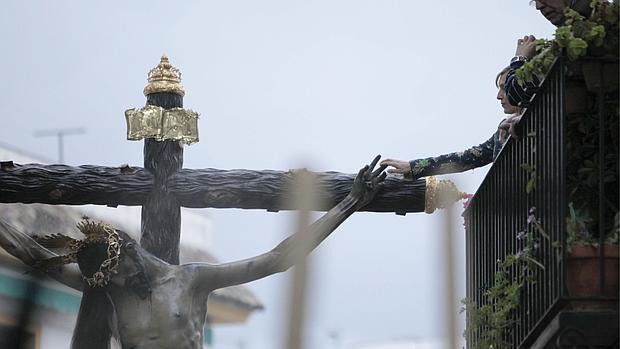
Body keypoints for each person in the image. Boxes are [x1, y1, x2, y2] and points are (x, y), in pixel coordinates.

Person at [0, 156, 387, 349]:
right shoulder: (107, 287)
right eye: (108, 281)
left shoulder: (191, 280)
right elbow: (33, 254)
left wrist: (349, 203)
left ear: (130, 253)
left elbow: (278, 259)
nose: (117, 284)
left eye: (117, 273)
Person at [380, 69, 522, 179]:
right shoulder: (503, 129)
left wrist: (519, 59)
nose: (499, 96)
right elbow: (465, 159)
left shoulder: (540, 116)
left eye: (504, 87)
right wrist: (413, 167)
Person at [505, 0, 594, 107]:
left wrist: (519, 59)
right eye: (535, 1)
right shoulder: (596, 21)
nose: (539, 6)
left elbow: (515, 93)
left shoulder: (593, 28)